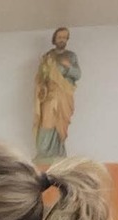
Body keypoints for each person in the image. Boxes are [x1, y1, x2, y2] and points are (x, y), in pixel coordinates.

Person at [33, 26, 81, 162]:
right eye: (60, 37)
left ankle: (58, 152)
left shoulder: (71, 56)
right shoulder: (48, 56)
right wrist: (42, 85)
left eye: (65, 38)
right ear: (54, 39)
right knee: (46, 121)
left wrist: (68, 67)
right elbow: (41, 77)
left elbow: (78, 74)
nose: (62, 40)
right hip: (50, 93)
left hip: (64, 94)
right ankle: (43, 152)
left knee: (60, 123)